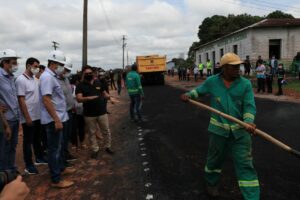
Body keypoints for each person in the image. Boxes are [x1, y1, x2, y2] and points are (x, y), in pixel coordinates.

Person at [181, 52, 259, 200]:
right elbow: (199, 91)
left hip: (241, 134)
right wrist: (188, 95)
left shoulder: (245, 84)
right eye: (233, 67)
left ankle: (252, 197)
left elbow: (249, 106)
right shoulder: (212, 82)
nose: (238, 69)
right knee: (214, 161)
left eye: (238, 66)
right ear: (224, 68)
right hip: (218, 132)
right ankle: (211, 184)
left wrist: (248, 121)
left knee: (245, 165)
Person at [40, 50, 75, 188]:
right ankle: (56, 179)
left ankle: (61, 168)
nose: (62, 67)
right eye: (60, 64)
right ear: (53, 63)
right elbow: (46, 100)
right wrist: (57, 120)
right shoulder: (47, 77)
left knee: (59, 147)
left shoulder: (53, 76)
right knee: (54, 150)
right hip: (53, 119)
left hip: (59, 116)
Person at [15, 57, 47, 175]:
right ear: (28, 66)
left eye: (38, 66)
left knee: (37, 139)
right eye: (35, 66)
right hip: (28, 116)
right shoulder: (20, 80)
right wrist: (27, 117)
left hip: (37, 115)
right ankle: (29, 165)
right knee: (27, 142)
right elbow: (21, 100)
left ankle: (39, 158)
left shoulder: (34, 79)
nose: (37, 69)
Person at [76, 66, 115, 159]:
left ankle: (108, 146)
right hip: (89, 114)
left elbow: (104, 93)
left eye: (90, 73)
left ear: (93, 74)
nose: (89, 75)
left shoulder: (98, 82)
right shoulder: (80, 85)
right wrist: (88, 98)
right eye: (87, 73)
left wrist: (110, 98)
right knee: (92, 133)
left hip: (102, 112)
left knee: (106, 130)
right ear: (83, 75)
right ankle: (95, 149)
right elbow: (78, 99)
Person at [0, 49, 21, 172]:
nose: (16, 65)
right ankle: (4, 174)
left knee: (12, 146)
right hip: (5, 119)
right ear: (4, 63)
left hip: (14, 117)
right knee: (4, 148)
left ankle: (11, 169)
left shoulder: (11, 77)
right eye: (13, 62)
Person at [57, 58, 77, 163]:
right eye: (66, 70)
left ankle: (65, 154)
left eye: (68, 71)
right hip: (62, 113)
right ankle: (62, 158)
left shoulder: (66, 79)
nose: (67, 72)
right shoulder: (55, 80)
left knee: (67, 136)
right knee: (62, 137)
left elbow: (69, 94)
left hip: (70, 111)